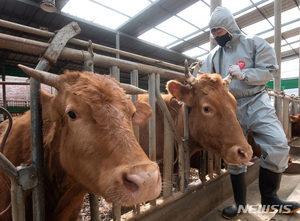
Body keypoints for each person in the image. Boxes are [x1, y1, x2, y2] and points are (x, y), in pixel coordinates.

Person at [199, 6, 300, 219]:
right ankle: (239, 203)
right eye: (212, 32)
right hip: (229, 108)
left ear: (228, 27)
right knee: (235, 153)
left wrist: (244, 74)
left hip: (256, 100)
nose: (215, 35)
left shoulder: (254, 43)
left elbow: (269, 70)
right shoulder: (214, 55)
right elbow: (203, 77)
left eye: (217, 30)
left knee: (278, 143)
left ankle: (270, 198)